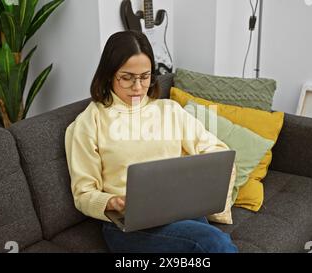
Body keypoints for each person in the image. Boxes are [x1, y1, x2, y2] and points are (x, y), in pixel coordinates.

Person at [65, 30, 238, 253]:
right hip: (128, 227)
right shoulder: (88, 123)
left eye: (145, 77)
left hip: (178, 209)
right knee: (214, 243)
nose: (137, 87)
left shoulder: (169, 110)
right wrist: (112, 202)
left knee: (212, 243)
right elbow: (83, 193)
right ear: (109, 75)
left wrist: (202, 171)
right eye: (127, 78)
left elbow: (217, 151)